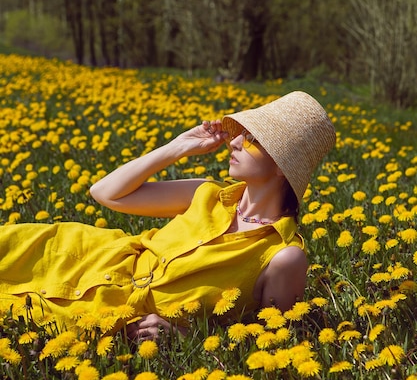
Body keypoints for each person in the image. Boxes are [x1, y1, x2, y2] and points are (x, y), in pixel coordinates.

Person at [0, 91, 335, 341]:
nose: (233, 143)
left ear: (281, 166)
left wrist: (185, 338)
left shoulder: (283, 257)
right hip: (80, 257)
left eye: (250, 140)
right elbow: (106, 193)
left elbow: (270, 341)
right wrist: (178, 146)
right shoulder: (206, 193)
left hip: (105, 316)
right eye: (237, 134)